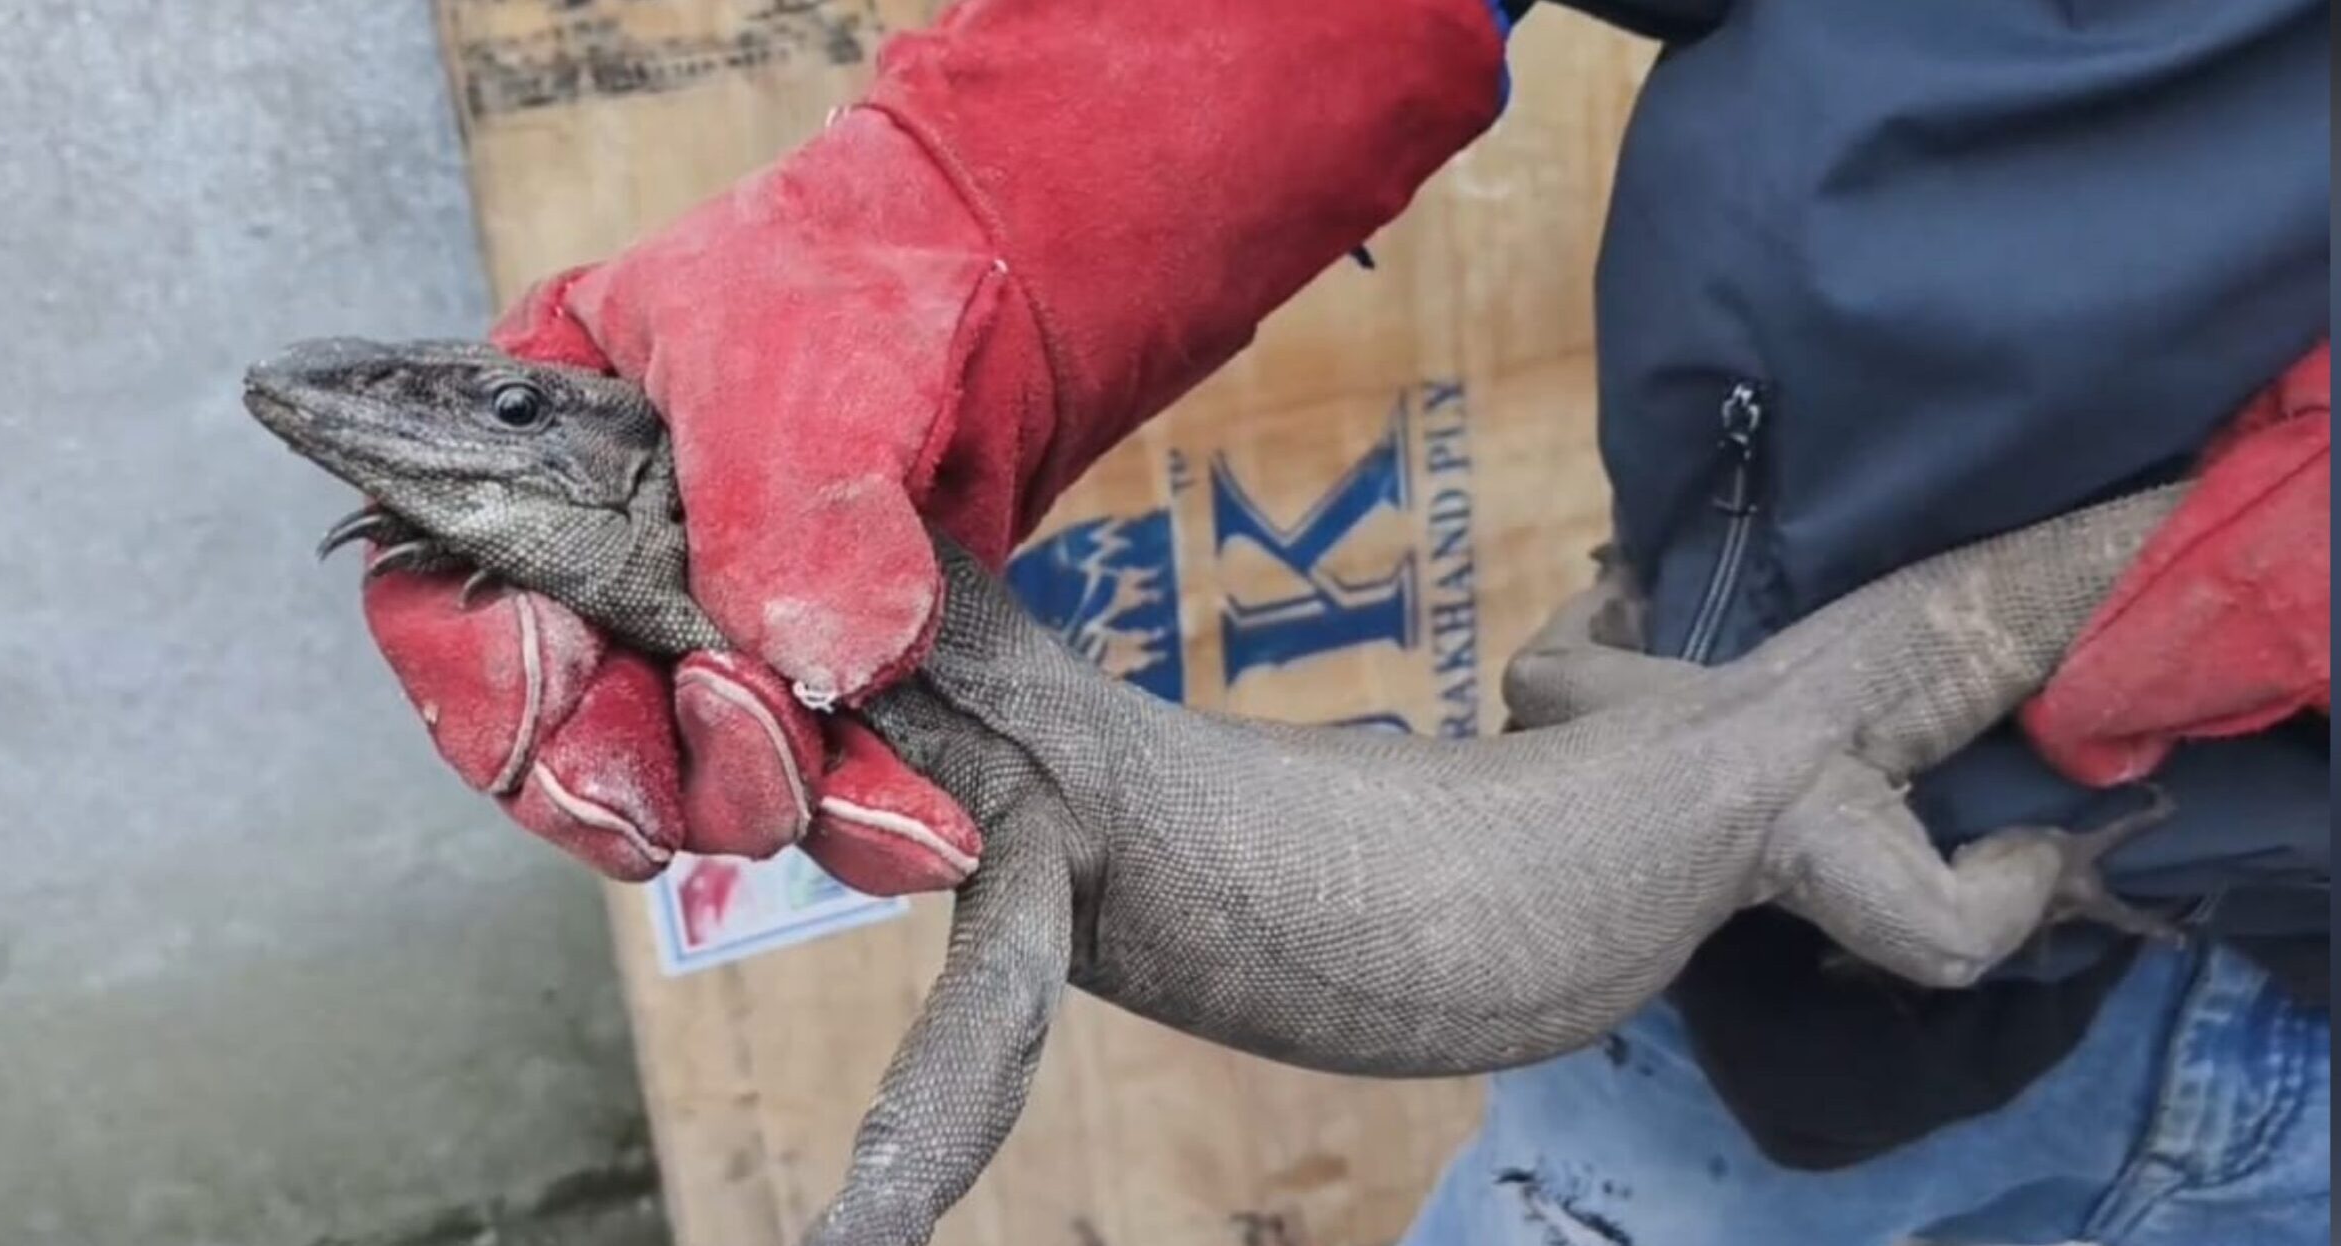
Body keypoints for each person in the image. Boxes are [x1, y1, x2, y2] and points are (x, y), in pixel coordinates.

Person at [350, 1, 2331, 1241]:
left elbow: (993, 1014)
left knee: (1944, 904)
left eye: (506, 418)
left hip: (1865, 807)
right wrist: (987, 185)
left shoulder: (1031, 815)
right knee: (1785, 874)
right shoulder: (1004, 763)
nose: (443, 418)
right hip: (1777, 1019)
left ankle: (2050, 873)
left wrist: (872, 1207)